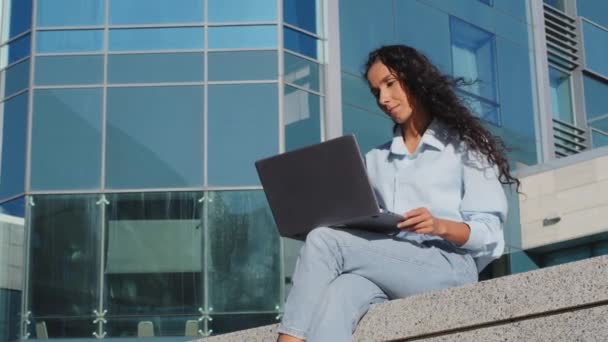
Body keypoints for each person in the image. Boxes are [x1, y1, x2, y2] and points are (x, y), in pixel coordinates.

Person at [276, 45, 519, 342]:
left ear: (415, 79)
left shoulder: (465, 146)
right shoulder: (375, 159)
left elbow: (490, 234)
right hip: (391, 266)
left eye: (390, 84)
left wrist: (440, 225)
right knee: (341, 291)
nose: (384, 99)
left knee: (324, 240)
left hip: (449, 266)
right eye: (376, 91)